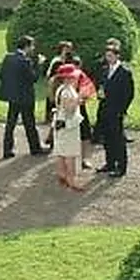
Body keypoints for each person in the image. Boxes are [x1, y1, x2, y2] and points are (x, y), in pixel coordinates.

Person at [0, 35, 45, 159]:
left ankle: (7, 150)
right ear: (27, 46)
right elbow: (33, 78)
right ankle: (35, 148)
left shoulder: (8, 58)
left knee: (10, 123)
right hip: (25, 97)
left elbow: (1, 75)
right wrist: (39, 64)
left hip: (13, 97)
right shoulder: (25, 61)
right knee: (29, 123)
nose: (33, 48)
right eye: (32, 46)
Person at [96, 44, 134, 178]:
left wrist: (122, 110)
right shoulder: (105, 70)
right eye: (107, 56)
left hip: (116, 111)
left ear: (117, 56)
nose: (108, 59)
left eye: (111, 56)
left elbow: (129, 94)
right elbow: (101, 85)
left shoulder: (125, 72)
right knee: (107, 138)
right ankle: (110, 163)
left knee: (118, 139)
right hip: (104, 108)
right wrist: (99, 93)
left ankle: (121, 166)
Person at [50, 63, 88, 191]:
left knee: (61, 151)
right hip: (68, 126)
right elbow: (69, 110)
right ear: (68, 78)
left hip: (60, 123)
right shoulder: (67, 92)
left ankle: (62, 174)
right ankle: (71, 180)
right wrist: (78, 99)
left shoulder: (60, 88)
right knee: (70, 153)